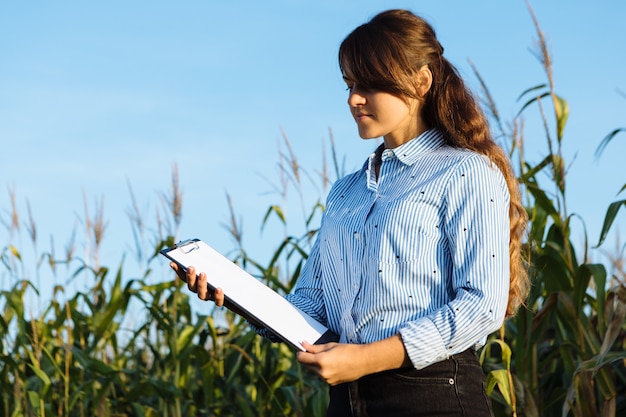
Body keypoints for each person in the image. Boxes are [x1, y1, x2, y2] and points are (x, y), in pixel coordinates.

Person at [172, 9, 529, 417]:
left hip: (433, 395)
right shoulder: (346, 192)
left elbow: (480, 305)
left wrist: (365, 359)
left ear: (421, 81)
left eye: (368, 85)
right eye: (349, 85)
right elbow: (311, 305)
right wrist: (234, 296)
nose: (353, 99)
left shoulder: (464, 172)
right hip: (347, 402)